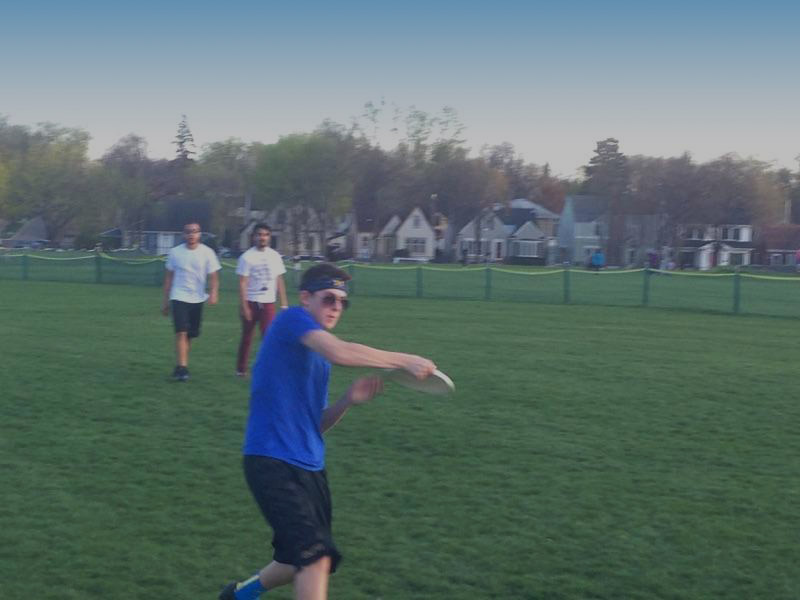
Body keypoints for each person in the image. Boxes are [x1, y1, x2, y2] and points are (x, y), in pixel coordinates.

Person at [219, 263, 436, 600]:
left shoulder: (317, 358)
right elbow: (340, 351)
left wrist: (347, 401)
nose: (336, 306)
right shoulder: (291, 320)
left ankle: (239, 594)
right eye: (329, 298)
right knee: (315, 557)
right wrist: (402, 359)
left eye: (342, 302)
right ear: (306, 298)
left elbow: (315, 423)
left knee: (295, 560)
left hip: (310, 468)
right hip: (270, 461)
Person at [160, 221, 221, 382]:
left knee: (189, 335)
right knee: (181, 332)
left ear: (200, 234)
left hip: (197, 298)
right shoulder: (175, 253)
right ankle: (182, 368)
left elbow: (214, 276)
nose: (191, 234)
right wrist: (165, 301)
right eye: (188, 232)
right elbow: (168, 278)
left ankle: (180, 364)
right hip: (178, 296)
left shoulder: (207, 253)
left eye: (194, 231)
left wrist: (214, 292)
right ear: (183, 234)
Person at [235, 223, 288, 377]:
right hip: (251, 301)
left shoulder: (274, 256)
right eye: (259, 234)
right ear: (254, 237)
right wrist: (244, 306)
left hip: (268, 302)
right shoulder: (247, 257)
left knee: (268, 336)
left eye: (265, 235)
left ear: (269, 237)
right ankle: (241, 369)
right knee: (247, 337)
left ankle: (267, 369)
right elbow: (242, 282)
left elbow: (279, 279)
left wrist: (284, 303)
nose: (262, 237)